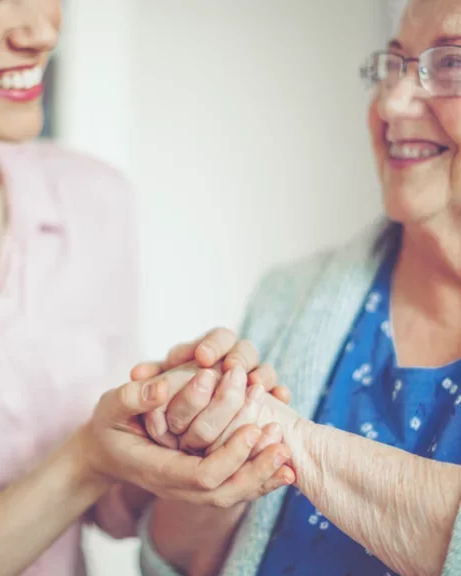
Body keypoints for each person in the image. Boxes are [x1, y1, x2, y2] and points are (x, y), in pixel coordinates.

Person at [0, 1, 296, 575]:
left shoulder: (93, 200)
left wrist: (172, 428)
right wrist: (87, 462)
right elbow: (88, 470)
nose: (40, 30)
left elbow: (112, 512)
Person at [137, 0, 461, 574]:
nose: (390, 103)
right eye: (392, 65)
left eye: (451, 64)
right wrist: (204, 444)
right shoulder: (289, 295)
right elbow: (183, 560)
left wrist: (280, 432)